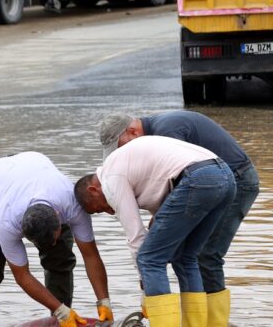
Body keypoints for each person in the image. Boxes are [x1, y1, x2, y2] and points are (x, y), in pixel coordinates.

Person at [98, 111, 260, 326]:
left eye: (121, 146)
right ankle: (202, 323)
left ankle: (213, 323)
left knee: (194, 256)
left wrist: (146, 287)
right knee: (187, 256)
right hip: (220, 177)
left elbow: (183, 176)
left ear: (132, 131)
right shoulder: (156, 131)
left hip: (236, 179)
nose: (121, 152)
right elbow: (173, 181)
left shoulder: (168, 130)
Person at [75, 135, 236, 327]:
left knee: (149, 259)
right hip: (225, 177)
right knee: (185, 257)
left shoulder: (111, 179)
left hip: (198, 178)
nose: (109, 212)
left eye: (100, 208)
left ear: (94, 190)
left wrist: (146, 293)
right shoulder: (126, 165)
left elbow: (136, 238)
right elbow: (163, 215)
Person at [0, 152, 112, 327]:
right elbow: (22, 276)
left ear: (59, 219)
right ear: (22, 230)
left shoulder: (71, 204)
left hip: (28, 169)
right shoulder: (8, 222)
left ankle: (61, 323)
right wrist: (61, 310)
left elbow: (90, 255)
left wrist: (103, 301)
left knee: (60, 258)